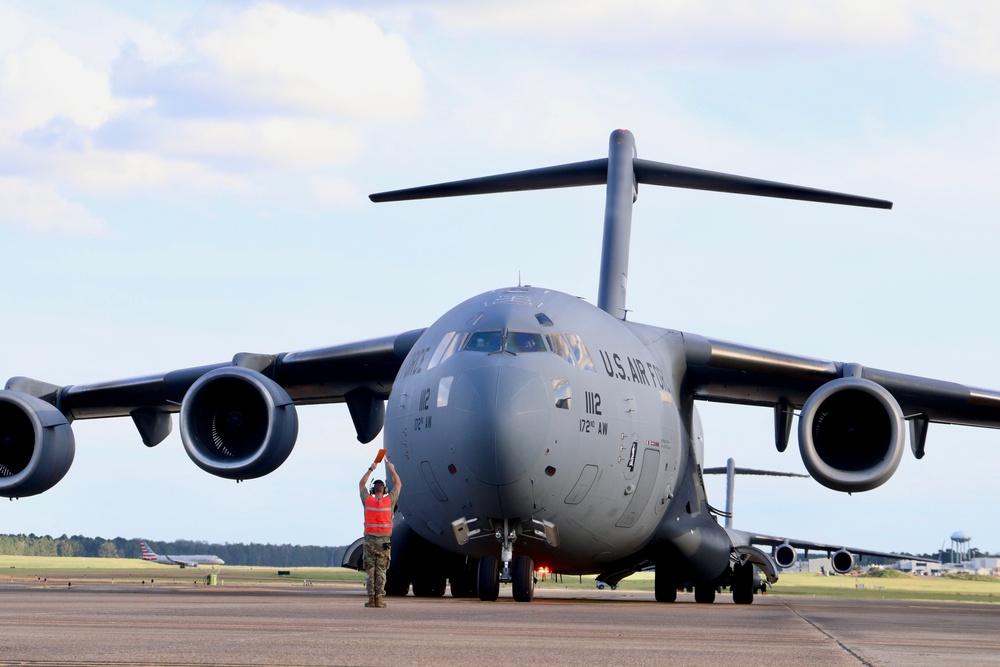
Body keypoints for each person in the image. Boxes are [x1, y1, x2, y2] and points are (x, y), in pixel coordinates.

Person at [359, 456, 401, 608]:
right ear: (384, 490)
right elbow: (398, 484)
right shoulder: (389, 501)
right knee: (381, 570)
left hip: (370, 541)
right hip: (384, 541)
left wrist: (372, 468)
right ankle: (380, 600)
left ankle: (371, 599)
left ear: (373, 490)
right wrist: (392, 470)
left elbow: (361, 484)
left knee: (370, 570)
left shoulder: (368, 501)